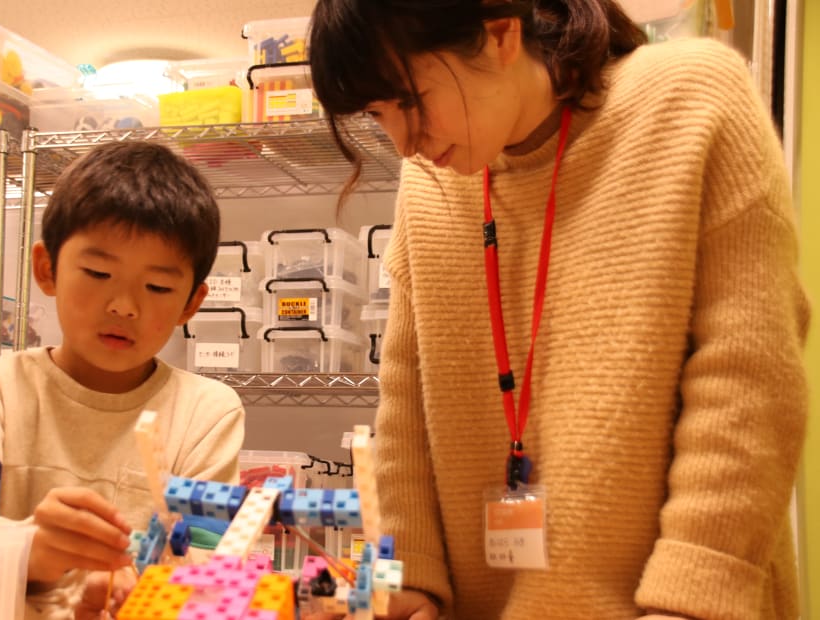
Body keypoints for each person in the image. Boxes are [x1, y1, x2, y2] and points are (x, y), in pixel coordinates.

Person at [307, 1, 810, 619]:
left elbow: (749, 373)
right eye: (378, 116)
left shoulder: (690, 99)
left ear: (499, 33)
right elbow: (406, 389)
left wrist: (695, 592)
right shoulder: (431, 182)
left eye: (408, 102)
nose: (404, 143)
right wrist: (406, 572)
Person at [0, 141, 245, 619]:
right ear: (47, 269)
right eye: (99, 272)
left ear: (191, 303)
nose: (124, 305)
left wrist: (149, 587)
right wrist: (34, 554)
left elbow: (213, 566)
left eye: (159, 287)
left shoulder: (206, 411)